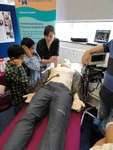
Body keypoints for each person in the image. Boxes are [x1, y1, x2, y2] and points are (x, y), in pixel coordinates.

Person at [3, 59, 85, 150]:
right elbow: (42, 82)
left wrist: (77, 99)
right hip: (46, 89)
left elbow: (76, 86)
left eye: (67, 61)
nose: (65, 61)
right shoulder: (52, 69)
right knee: (28, 117)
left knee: (57, 122)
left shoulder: (74, 72)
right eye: (63, 60)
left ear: (71, 65)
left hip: (63, 91)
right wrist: (34, 93)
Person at [82, 39, 113, 136]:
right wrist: (88, 51)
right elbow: (103, 47)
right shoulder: (112, 43)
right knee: (100, 119)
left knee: (105, 129)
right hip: (105, 94)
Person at [5, 44, 30, 115]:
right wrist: (20, 66)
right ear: (13, 59)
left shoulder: (19, 65)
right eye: (21, 58)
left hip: (24, 94)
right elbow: (24, 81)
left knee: (25, 112)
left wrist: (22, 64)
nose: (23, 60)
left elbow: (28, 73)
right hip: (18, 99)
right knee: (19, 115)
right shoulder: (9, 70)